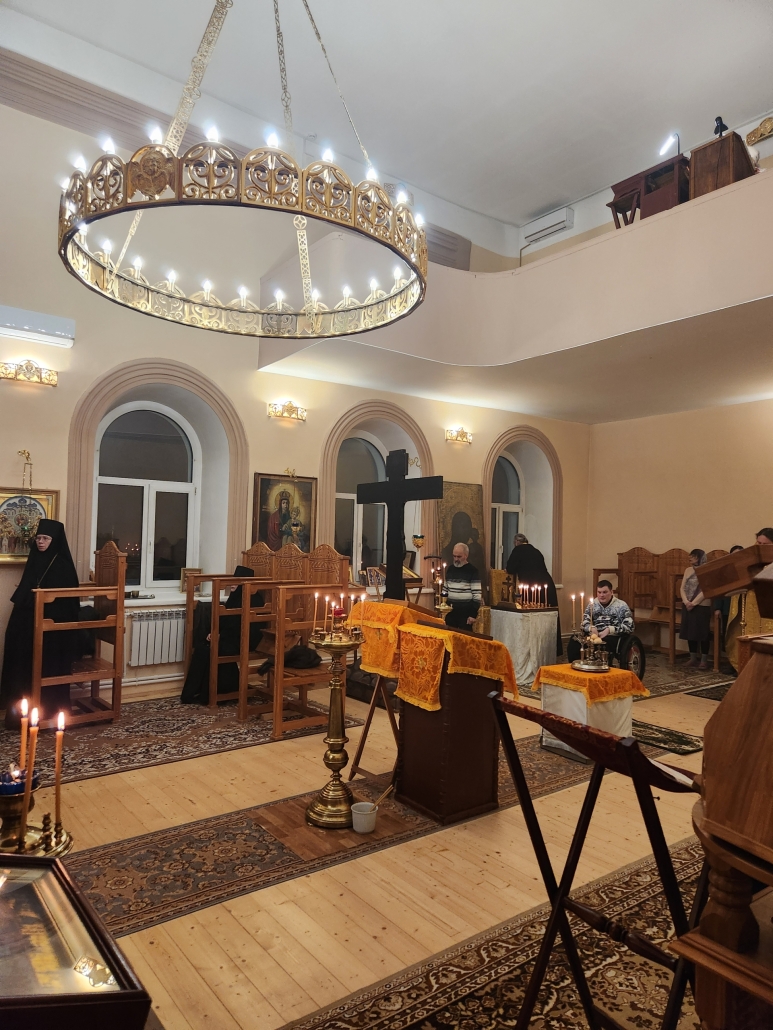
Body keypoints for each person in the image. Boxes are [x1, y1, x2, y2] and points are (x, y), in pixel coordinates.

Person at [1, 519, 80, 728]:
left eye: (45, 538)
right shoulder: (35, 558)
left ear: (55, 541)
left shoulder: (62, 565)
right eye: (38, 538)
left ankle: (47, 710)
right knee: (16, 646)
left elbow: (67, 605)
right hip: (30, 621)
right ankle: (20, 712)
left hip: (52, 630)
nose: (41, 542)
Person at [180, 566, 265, 705]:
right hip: (229, 637)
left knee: (212, 650)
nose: (232, 585)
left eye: (236, 582)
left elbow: (247, 627)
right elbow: (225, 620)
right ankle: (194, 692)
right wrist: (214, 632)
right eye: (233, 581)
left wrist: (221, 636)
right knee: (202, 647)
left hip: (245, 639)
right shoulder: (235, 597)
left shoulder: (254, 599)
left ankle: (213, 693)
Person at [505, 533, 562, 655]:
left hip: (531, 586)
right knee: (547, 616)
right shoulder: (536, 551)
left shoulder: (518, 550)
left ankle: (533, 647)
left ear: (516, 542)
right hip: (547, 585)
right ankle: (551, 648)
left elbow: (510, 568)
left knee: (532, 615)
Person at [568, 580, 634, 664]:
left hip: (613, 635)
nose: (601, 595)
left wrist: (610, 630)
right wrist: (591, 628)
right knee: (574, 640)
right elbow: (585, 620)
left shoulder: (621, 605)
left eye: (604, 592)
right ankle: (577, 665)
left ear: (611, 592)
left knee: (603, 643)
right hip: (594, 634)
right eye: (599, 592)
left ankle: (599, 664)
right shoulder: (593, 604)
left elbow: (630, 626)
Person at [680, 549, 712, 669]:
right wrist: (686, 601)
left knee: (703, 632)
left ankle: (704, 660)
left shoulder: (707, 570)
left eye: (693, 556)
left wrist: (694, 603)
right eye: (690, 556)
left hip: (702, 605)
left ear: (700, 558)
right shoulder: (688, 570)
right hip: (687, 604)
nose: (690, 558)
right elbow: (682, 588)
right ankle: (692, 658)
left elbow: (706, 589)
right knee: (690, 632)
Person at [444, 542, 482, 630]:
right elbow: (445, 589)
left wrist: (473, 614)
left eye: (459, 557)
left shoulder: (472, 571)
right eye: (454, 556)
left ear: (466, 556)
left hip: (466, 614)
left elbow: (477, 595)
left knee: (464, 637)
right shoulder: (450, 569)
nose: (456, 559)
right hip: (451, 612)